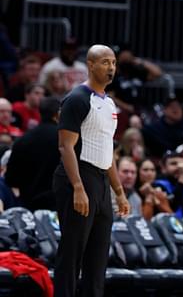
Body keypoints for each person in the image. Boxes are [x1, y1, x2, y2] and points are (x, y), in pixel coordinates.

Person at [53, 45, 130, 297]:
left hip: (100, 181)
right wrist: (77, 187)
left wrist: (118, 191)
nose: (111, 68)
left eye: (114, 63)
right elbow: (65, 147)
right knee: (71, 254)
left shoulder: (109, 104)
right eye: (105, 62)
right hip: (78, 176)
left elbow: (107, 151)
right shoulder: (76, 99)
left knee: (98, 260)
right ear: (90, 64)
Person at [5, 97, 60, 211]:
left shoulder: (22, 139)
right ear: (58, 114)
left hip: (30, 204)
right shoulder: (66, 140)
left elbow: (11, 179)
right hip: (60, 203)